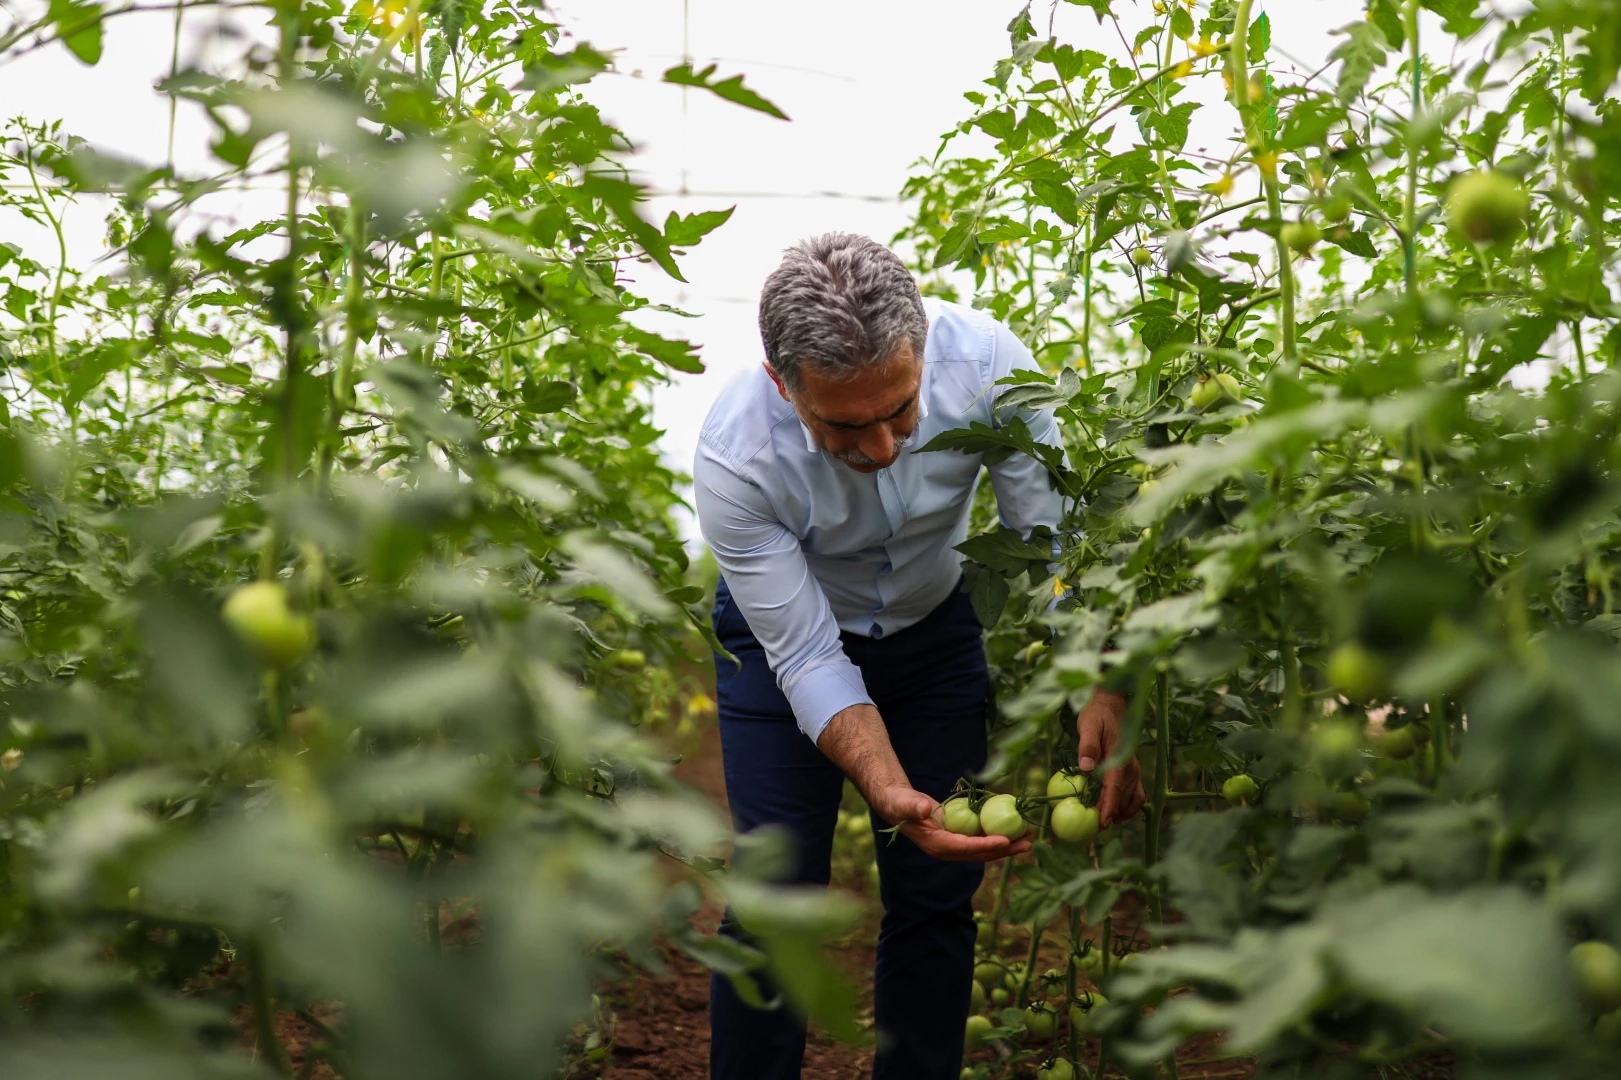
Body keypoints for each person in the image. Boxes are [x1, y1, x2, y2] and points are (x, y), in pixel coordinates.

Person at [693, 232, 1146, 1080]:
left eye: (900, 410)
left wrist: (1102, 682)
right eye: (844, 425)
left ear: (923, 353)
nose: (883, 449)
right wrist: (882, 782)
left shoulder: (989, 369)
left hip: (933, 631)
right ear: (781, 385)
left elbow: (1050, 546)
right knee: (774, 895)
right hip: (779, 645)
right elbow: (804, 654)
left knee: (936, 900)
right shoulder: (734, 459)